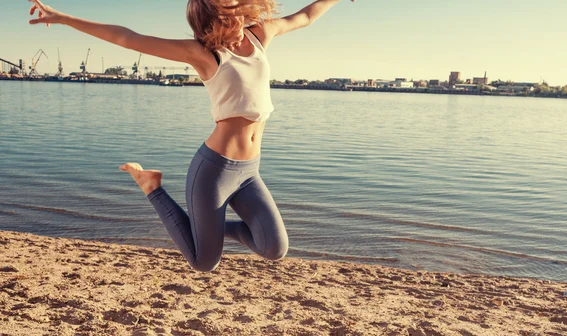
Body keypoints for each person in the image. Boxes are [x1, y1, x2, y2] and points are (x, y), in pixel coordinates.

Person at [28, 0, 355, 272]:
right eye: (232, 9)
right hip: (213, 171)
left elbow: (305, 16)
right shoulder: (203, 54)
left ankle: (206, 229)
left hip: (250, 171)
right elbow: (127, 37)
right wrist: (63, 18)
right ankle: (151, 186)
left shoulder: (259, 36)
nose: (242, 12)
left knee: (274, 247)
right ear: (218, 16)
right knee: (203, 261)